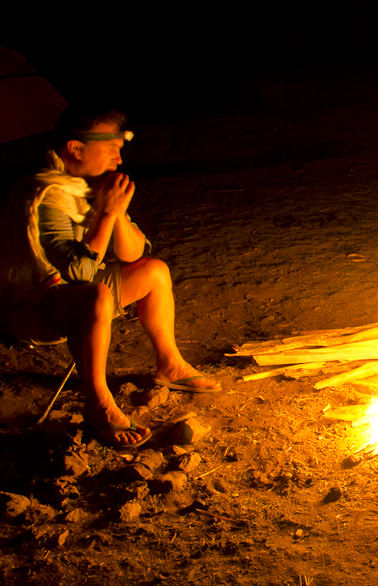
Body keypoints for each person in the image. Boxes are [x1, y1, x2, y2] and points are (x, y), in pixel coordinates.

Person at [0, 108, 221, 449]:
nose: (119, 161)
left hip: (72, 295)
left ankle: (170, 364)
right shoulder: (44, 195)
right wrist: (107, 212)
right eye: (111, 149)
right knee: (96, 294)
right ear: (76, 149)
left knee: (154, 271)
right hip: (33, 308)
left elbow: (134, 253)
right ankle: (98, 402)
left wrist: (115, 214)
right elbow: (79, 272)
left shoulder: (84, 187)